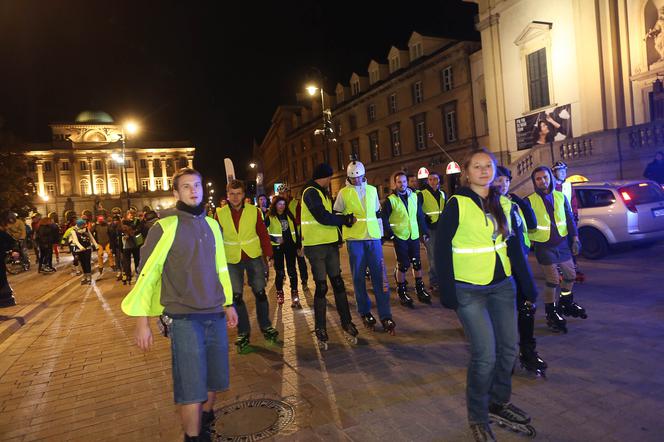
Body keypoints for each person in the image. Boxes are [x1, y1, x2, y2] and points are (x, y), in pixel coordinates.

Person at [122, 167, 238, 442]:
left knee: (214, 379)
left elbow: (221, 267)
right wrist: (142, 322)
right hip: (184, 318)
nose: (193, 190)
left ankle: (206, 420)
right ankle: (193, 437)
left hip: (215, 313)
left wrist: (229, 303)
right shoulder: (165, 226)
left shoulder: (212, 225)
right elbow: (146, 275)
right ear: (176, 192)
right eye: (186, 186)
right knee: (191, 385)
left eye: (197, 185)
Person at [435, 148, 537, 441]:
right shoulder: (457, 204)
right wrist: (448, 291)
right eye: (476, 166)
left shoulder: (503, 203)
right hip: (469, 290)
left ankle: (498, 401)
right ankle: (478, 416)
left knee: (508, 350)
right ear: (466, 173)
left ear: (494, 170)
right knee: (485, 357)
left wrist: (527, 285)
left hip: (502, 286)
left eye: (488, 166)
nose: (483, 170)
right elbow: (441, 249)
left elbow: (514, 247)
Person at [494, 166, 547, 377]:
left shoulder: (514, 204)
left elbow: (532, 225)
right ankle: (504, 356)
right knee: (503, 313)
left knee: (526, 308)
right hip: (499, 267)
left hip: (520, 262)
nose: (503, 184)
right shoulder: (488, 206)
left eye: (505, 180)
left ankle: (528, 351)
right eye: (498, 180)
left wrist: (523, 205)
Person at [334, 160, 395, 334]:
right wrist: (345, 220)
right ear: (349, 178)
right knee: (359, 278)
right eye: (354, 179)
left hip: (373, 239)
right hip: (355, 240)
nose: (358, 181)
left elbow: (377, 214)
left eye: (360, 178)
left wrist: (382, 234)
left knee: (380, 277)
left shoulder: (372, 190)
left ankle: (385, 314)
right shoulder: (343, 193)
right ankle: (365, 311)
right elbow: (337, 213)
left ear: (363, 175)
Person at [216, 179, 277, 353]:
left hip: (252, 255)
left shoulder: (254, 211)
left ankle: (265, 325)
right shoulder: (219, 214)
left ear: (244, 195)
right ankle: (243, 331)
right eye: (232, 194)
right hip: (231, 258)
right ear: (227, 195)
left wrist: (269, 254)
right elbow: (216, 239)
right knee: (236, 296)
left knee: (259, 291)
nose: (235, 197)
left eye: (239, 194)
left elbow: (262, 233)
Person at [301, 163, 358, 349]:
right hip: (316, 247)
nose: (330, 181)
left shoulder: (321, 192)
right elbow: (322, 217)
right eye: (329, 178)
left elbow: (330, 215)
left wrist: (340, 231)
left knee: (338, 283)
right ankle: (320, 328)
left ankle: (346, 322)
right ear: (324, 177)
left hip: (329, 245)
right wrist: (345, 219)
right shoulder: (310, 192)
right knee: (322, 286)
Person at [527, 166, 586, 334]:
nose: (542, 181)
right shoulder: (529, 200)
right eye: (538, 179)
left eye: (545, 177)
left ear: (550, 178)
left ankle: (565, 303)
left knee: (571, 275)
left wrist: (575, 238)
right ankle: (551, 313)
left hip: (562, 243)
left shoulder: (560, 196)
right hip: (544, 245)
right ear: (534, 182)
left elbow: (569, 218)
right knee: (553, 280)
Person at [382, 171, 431, 307]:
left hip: (413, 235)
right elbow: (384, 218)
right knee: (403, 265)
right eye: (399, 182)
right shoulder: (391, 200)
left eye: (404, 182)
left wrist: (424, 232)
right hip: (400, 236)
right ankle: (402, 290)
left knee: (416, 263)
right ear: (395, 183)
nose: (402, 184)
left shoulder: (414, 196)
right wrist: (390, 234)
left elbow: (419, 215)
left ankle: (420, 289)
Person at [265, 196, 302, 308]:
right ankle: (280, 293)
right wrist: (274, 239)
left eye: (283, 204)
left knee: (292, 271)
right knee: (280, 272)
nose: (282, 206)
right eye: (279, 204)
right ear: (275, 205)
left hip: (290, 246)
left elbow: (296, 231)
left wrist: (298, 246)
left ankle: (295, 295)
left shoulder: (289, 215)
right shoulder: (270, 217)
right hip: (277, 248)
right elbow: (263, 234)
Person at [551, 161, 584, 283]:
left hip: (569, 221)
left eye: (564, 171)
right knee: (560, 247)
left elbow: (574, 201)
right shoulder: (551, 187)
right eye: (560, 171)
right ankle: (559, 270)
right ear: (554, 173)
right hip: (557, 223)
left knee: (573, 245)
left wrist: (575, 216)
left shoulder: (568, 185)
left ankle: (573, 268)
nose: (563, 173)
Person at [418, 170, 446, 293]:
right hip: (429, 229)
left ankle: (441, 280)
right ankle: (434, 282)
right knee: (433, 257)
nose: (433, 181)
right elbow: (417, 211)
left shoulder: (442, 194)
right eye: (430, 179)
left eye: (435, 179)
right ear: (427, 181)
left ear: (439, 181)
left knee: (441, 256)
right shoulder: (422, 194)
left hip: (441, 228)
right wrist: (423, 221)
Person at [282, 185, 310, 290]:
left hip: (297, 236)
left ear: (288, 193)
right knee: (290, 262)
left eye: (284, 193)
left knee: (301, 259)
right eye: (280, 194)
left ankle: (304, 279)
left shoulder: (296, 203)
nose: (282, 195)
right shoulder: (280, 205)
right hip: (287, 239)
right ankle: (293, 282)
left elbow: (299, 219)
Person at [70, 219, 98, 285]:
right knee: (82, 263)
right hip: (79, 250)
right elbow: (76, 240)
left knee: (87, 262)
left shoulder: (86, 229)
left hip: (87, 248)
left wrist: (96, 245)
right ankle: (84, 275)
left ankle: (89, 276)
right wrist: (80, 247)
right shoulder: (74, 231)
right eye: (83, 224)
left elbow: (91, 237)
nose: (84, 225)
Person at [120, 209, 144, 284]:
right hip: (128, 245)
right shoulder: (124, 222)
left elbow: (140, 230)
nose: (131, 216)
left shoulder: (136, 221)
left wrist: (131, 233)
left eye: (133, 214)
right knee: (127, 261)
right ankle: (128, 276)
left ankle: (135, 274)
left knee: (136, 259)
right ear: (127, 215)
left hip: (135, 244)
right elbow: (121, 231)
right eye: (130, 214)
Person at [1, 210, 18, 307]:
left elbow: (12, 242)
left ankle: (6, 299)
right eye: (9, 224)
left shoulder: (4, 233)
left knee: (2, 279)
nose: (10, 227)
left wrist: (14, 250)